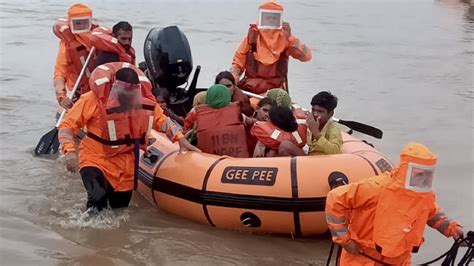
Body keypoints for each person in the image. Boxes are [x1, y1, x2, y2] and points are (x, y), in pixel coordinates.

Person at [58, 62, 199, 212]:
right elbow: (67, 125)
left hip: (126, 164)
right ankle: (88, 231)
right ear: (115, 88)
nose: (129, 97)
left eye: (132, 94)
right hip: (96, 158)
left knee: (120, 208)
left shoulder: (146, 103)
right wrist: (70, 152)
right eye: (125, 93)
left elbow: (163, 122)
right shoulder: (93, 99)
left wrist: (180, 139)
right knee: (97, 198)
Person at [325, 143, 465, 265]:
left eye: (427, 174)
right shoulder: (375, 188)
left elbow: (433, 215)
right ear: (407, 169)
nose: (423, 179)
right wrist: (345, 241)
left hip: (399, 259)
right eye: (419, 174)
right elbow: (335, 199)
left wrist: (453, 230)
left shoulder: (424, 195)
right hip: (363, 258)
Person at [230, 1, 312, 94]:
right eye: (268, 18)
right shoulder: (252, 36)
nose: (271, 21)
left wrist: (290, 38)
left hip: (276, 90)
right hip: (251, 88)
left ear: (280, 19)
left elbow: (306, 56)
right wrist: (232, 80)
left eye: (274, 18)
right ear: (261, 18)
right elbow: (238, 62)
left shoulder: (286, 37)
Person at [53, 3, 97, 110]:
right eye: (77, 24)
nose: (81, 27)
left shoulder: (98, 40)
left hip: (94, 91)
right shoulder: (67, 44)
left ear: (90, 22)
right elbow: (59, 72)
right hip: (75, 92)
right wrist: (61, 96)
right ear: (70, 24)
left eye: (84, 23)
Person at [185, 84, 249, 157]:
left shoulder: (197, 113)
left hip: (208, 162)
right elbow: (252, 122)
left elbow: (187, 131)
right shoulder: (237, 113)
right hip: (238, 162)